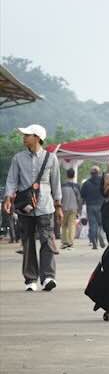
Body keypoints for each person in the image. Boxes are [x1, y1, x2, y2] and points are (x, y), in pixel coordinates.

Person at [3, 124, 62, 292]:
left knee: (46, 240)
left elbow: (56, 184)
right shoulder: (18, 158)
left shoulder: (51, 158)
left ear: (37, 137)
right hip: (24, 207)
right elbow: (12, 180)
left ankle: (48, 277)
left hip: (45, 206)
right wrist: (8, 198)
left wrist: (58, 206)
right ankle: (30, 279)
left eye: (27, 135)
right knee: (27, 242)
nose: (24, 137)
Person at [80, 165, 107, 250]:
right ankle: (100, 234)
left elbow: (82, 195)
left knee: (92, 224)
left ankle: (93, 240)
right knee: (101, 223)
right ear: (98, 172)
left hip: (90, 206)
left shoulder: (86, 183)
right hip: (101, 205)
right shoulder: (102, 182)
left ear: (91, 173)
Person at [59, 169, 83, 249]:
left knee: (64, 225)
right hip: (74, 207)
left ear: (67, 175)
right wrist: (80, 209)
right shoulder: (77, 186)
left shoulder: (62, 185)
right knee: (72, 225)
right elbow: (79, 198)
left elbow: (59, 197)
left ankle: (64, 241)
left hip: (64, 207)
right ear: (74, 175)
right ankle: (70, 242)